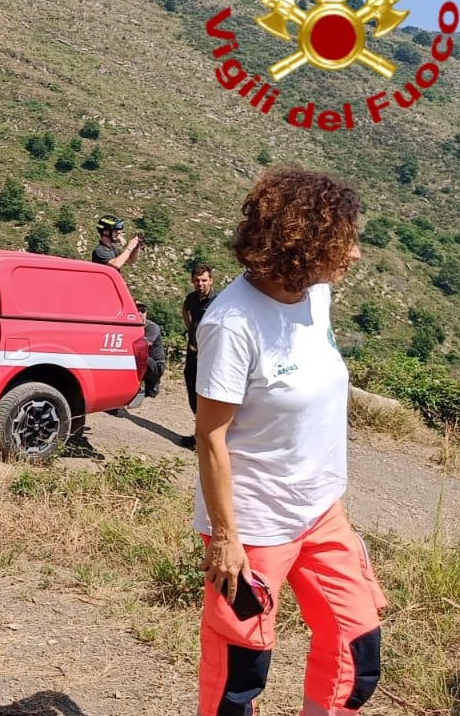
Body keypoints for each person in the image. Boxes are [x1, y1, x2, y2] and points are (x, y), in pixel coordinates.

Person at [193, 166, 385, 716]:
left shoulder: (314, 294)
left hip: (321, 513)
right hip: (253, 527)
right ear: (304, 246)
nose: (354, 256)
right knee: (240, 674)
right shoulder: (233, 324)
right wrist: (226, 539)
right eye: (344, 243)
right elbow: (210, 436)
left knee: (358, 647)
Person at [176, 263, 216, 449]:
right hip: (193, 353)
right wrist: (191, 329)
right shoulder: (191, 299)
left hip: (210, 356)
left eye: (204, 280)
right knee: (193, 392)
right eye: (197, 280)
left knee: (208, 394)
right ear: (192, 281)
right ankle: (199, 434)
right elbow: (185, 310)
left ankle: (209, 438)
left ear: (211, 281)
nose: (200, 284)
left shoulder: (218, 301)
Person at [136, 302, 165, 398]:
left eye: (142, 311)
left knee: (136, 355)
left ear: (146, 313)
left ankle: (154, 381)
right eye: (137, 310)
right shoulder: (134, 328)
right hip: (144, 362)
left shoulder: (152, 327)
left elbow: (144, 345)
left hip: (156, 366)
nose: (139, 313)